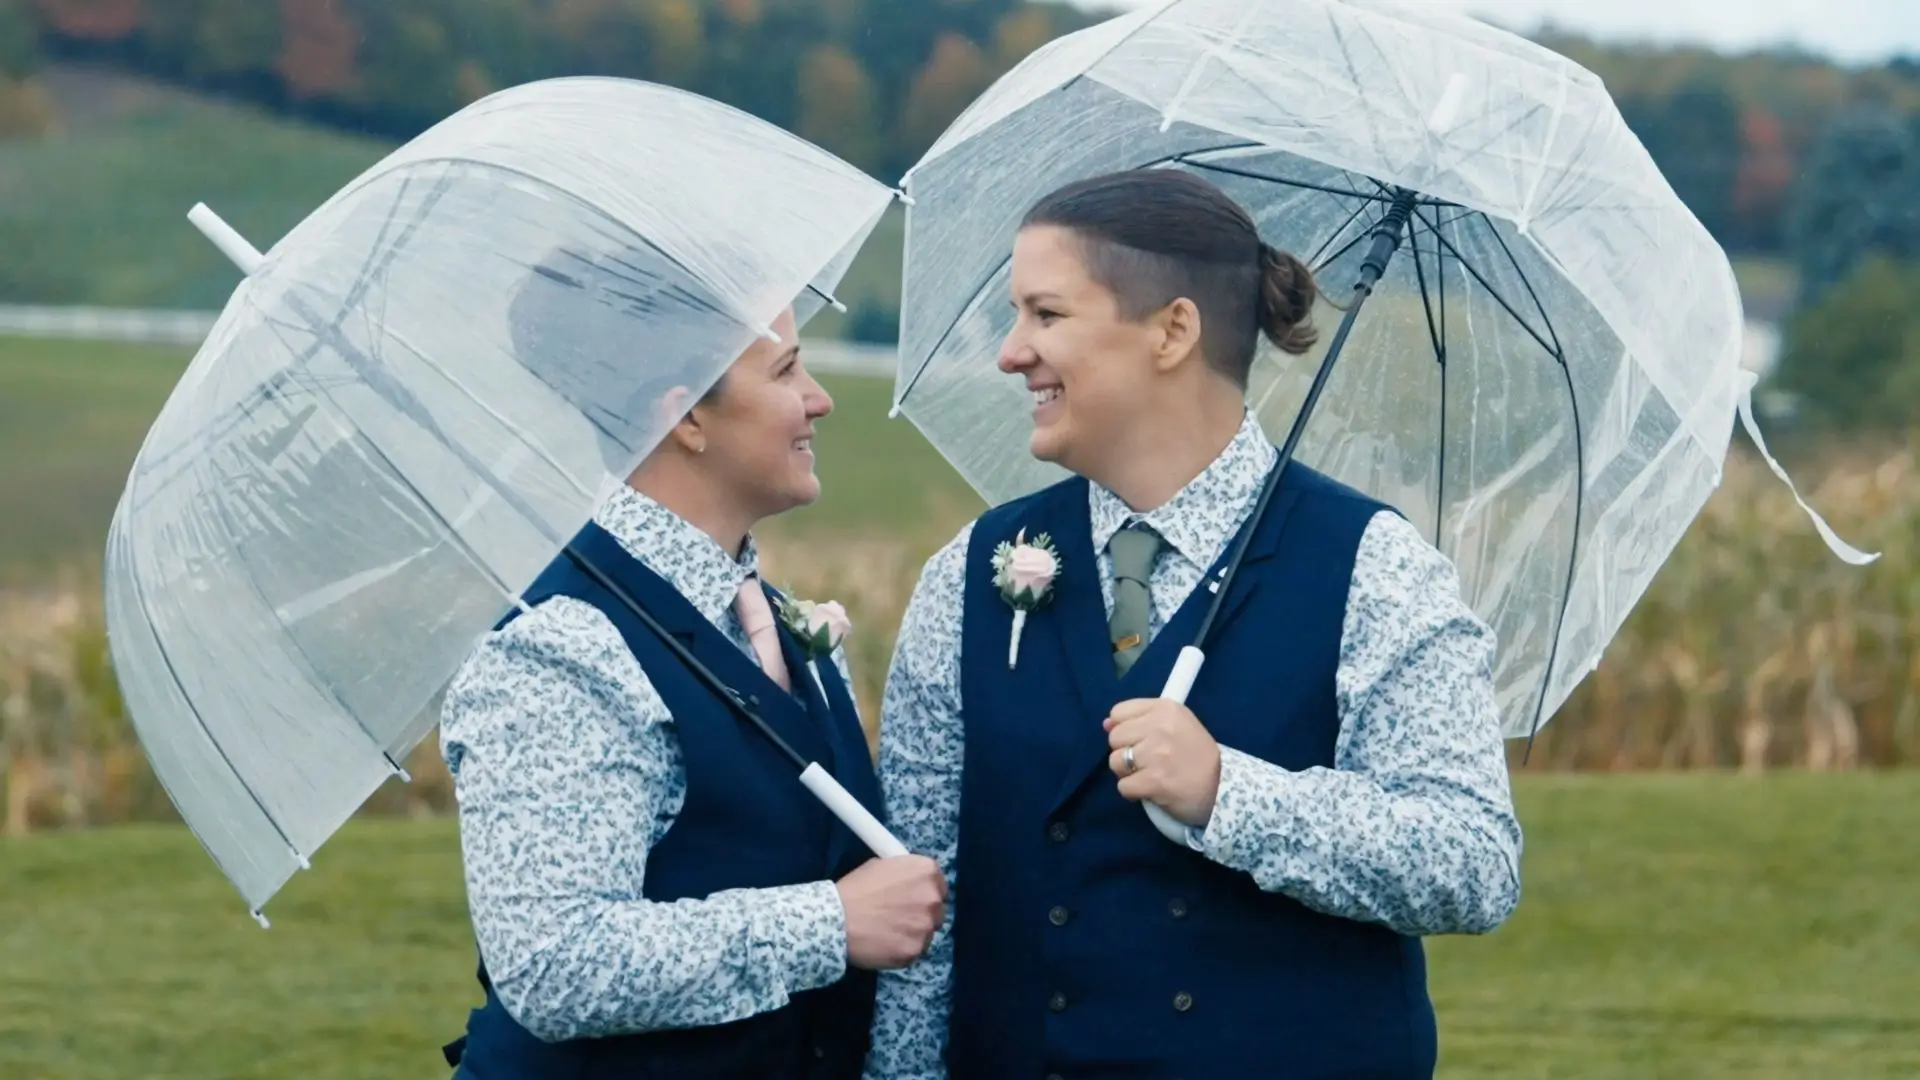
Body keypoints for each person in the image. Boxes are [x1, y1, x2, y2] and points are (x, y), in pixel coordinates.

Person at [865, 169, 1523, 1080]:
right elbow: (922, 902)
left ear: (1173, 331)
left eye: (1047, 315)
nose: (1012, 352)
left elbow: (1473, 862)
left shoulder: (1375, 568)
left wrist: (1228, 794)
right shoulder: (969, 576)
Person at [438, 247, 947, 1080]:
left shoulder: (773, 620)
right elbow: (552, 961)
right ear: (687, 419)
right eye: (785, 370)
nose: (819, 398)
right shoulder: (561, 650)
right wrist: (828, 924)